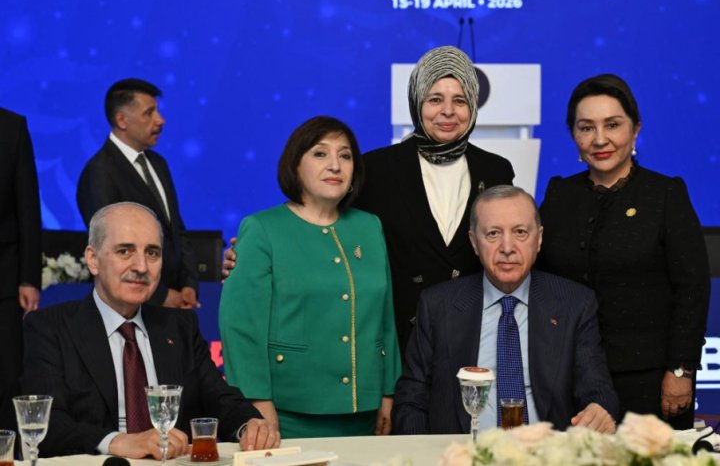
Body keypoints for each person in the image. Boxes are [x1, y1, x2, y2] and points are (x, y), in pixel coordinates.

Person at [223, 46, 515, 353]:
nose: (447, 111)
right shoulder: (376, 168)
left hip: (476, 336)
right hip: (398, 341)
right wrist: (258, 255)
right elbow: (321, 224)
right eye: (434, 99)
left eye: (460, 100)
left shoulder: (495, 170)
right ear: (416, 101)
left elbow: (514, 242)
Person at [21, 202, 279, 459]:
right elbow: (46, 424)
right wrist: (116, 442)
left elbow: (220, 399)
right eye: (125, 251)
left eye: (152, 253)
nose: (142, 267)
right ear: (93, 259)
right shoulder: (49, 328)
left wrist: (248, 426)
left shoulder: (180, 327)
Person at [537, 74, 710, 429]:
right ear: (573, 135)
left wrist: (680, 370)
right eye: (586, 127)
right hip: (570, 376)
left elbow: (692, 289)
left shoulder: (665, 195)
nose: (600, 139)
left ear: (635, 130)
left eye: (613, 125)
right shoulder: (559, 196)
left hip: (649, 379)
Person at [219, 116, 401, 439]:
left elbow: (385, 318)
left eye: (345, 156)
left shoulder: (369, 226)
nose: (335, 165)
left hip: (365, 409)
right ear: (295, 165)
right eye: (320, 153)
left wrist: (388, 391)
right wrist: (257, 402)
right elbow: (241, 328)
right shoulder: (261, 229)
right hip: (288, 414)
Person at [392, 185, 619, 434]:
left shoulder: (574, 303)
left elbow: (597, 390)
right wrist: (426, 451)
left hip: (545, 448)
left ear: (539, 238)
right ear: (474, 242)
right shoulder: (438, 304)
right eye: (493, 234)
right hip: (462, 450)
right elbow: (411, 399)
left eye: (520, 232)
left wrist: (598, 410)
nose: (507, 247)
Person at [77, 78, 198, 308]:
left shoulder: (158, 163)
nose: (160, 120)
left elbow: (176, 230)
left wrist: (189, 284)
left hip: (176, 304)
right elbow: (110, 247)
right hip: (132, 307)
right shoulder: (100, 172)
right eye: (149, 113)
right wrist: (161, 296)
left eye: (157, 111)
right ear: (122, 120)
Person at [0, 108, 41, 436]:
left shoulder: (12, 126)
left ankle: (6, 452)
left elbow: (27, 205)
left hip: (4, 276)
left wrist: (29, 278)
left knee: (7, 375)